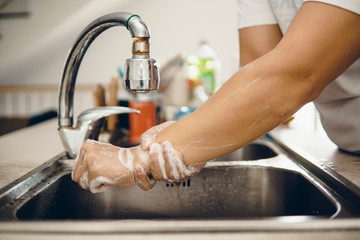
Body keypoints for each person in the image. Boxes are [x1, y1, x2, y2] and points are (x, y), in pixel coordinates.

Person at [72, 0, 360, 193]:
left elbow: (294, 75)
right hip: (348, 146)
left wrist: (134, 158)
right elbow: (258, 67)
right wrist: (195, 130)